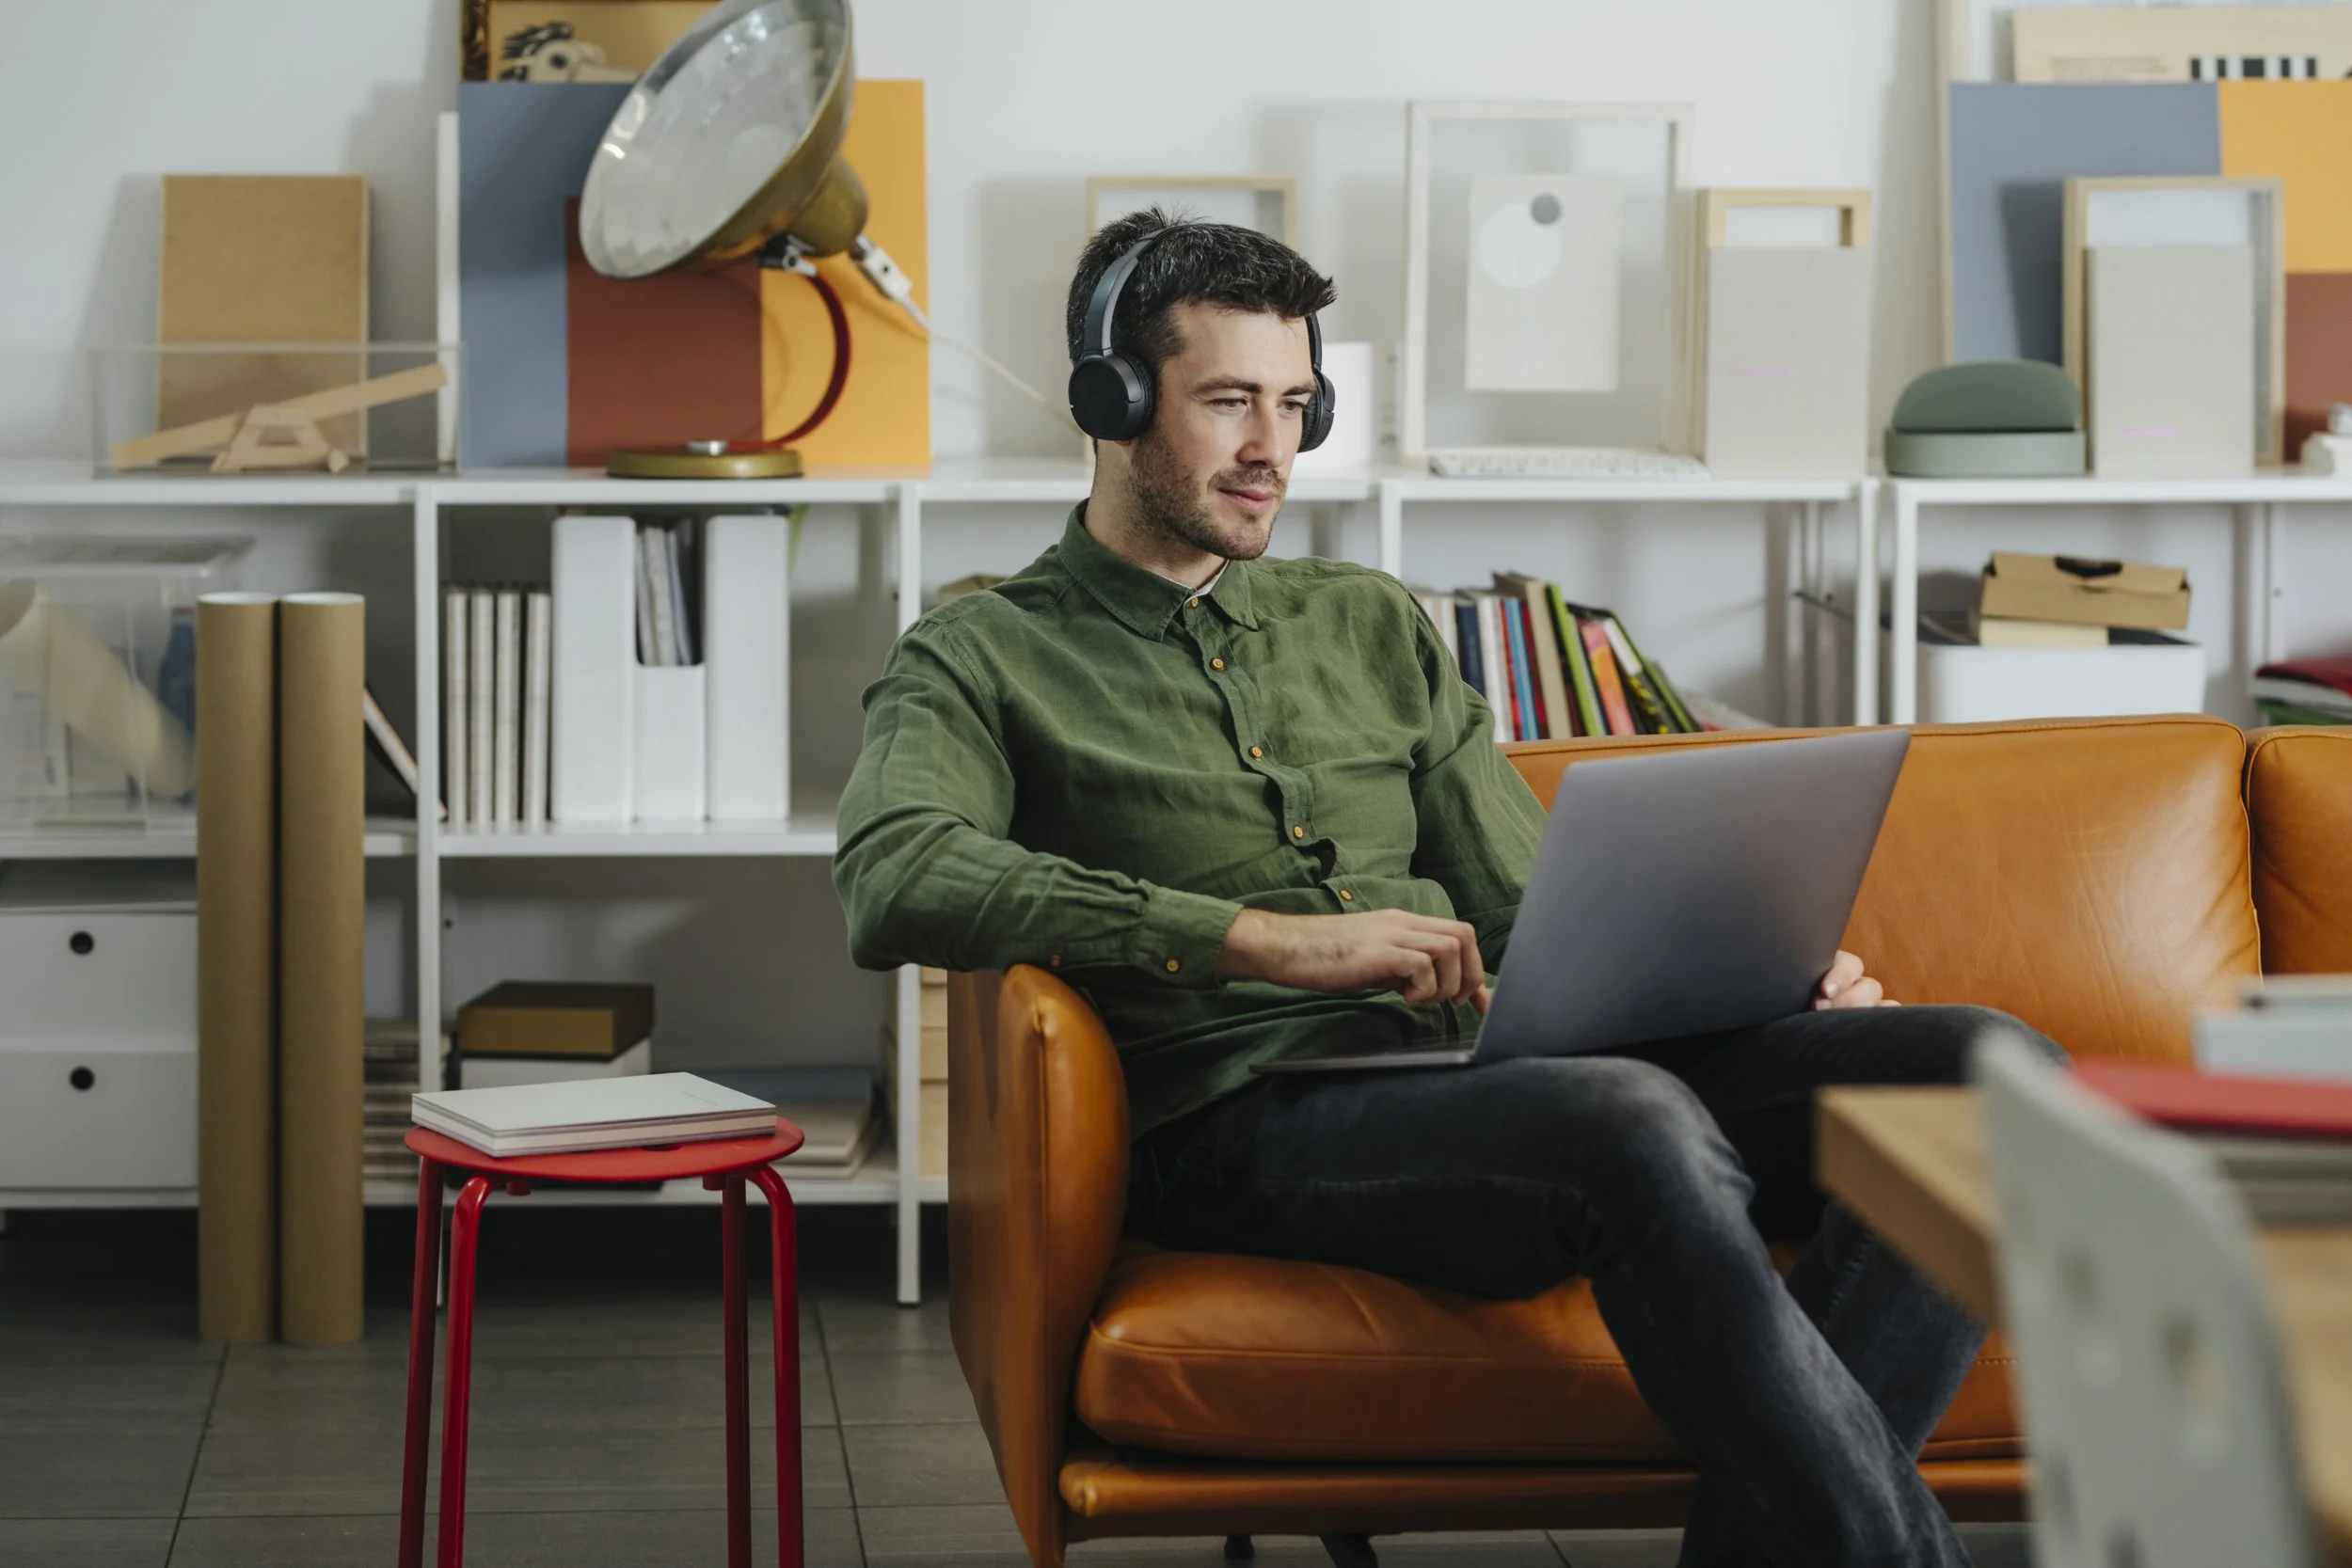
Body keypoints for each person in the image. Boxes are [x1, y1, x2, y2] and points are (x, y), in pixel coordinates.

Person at [833, 209, 2056, 1568]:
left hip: (1494, 1076)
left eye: (1296, 404)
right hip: (1251, 1121)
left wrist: (1753, 969)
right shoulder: (979, 652)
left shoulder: (1366, 620)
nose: (1273, 452)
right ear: (1111, 402)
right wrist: (1264, 943)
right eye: (1229, 402)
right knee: (1633, 1121)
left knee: (1986, 1072)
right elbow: (896, 874)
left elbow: (1527, 903)